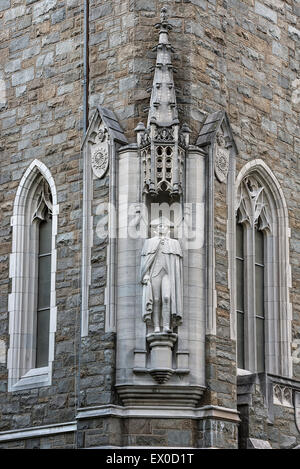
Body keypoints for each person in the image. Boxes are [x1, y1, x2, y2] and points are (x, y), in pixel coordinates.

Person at [140, 217, 183, 333]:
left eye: (164, 225)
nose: (161, 227)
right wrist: (146, 274)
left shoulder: (174, 243)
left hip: (168, 274)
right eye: (159, 225)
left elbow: (176, 264)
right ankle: (156, 327)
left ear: (168, 228)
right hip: (154, 273)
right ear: (155, 228)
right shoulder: (149, 242)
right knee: (156, 299)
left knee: (166, 297)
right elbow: (146, 261)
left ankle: (166, 326)